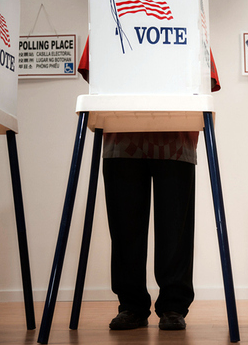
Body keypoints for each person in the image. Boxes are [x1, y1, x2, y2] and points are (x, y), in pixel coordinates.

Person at [78, 40, 221, 331]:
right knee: (125, 227)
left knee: (174, 229)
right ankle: (131, 305)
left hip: (175, 132)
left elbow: (206, 75)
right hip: (123, 131)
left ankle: (172, 305)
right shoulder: (116, 3)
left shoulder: (184, 9)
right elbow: (93, 70)